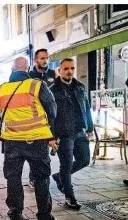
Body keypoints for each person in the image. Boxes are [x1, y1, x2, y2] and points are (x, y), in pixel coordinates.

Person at [0, 57, 59, 220]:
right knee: (41, 178)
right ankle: (45, 218)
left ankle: (15, 212)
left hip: (12, 141)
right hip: (36, 140)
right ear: (27, 68)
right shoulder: (36, 85)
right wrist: (51, 135)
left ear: (12, 69)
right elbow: (51, 109)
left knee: (13, 177)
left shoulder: (0, 90)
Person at [50, 59, 93, 210]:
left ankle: (59, 177)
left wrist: (90, 128)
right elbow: (50, 115)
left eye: (72, 68)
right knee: (66, 165)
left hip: (80, 130)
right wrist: (52, 137)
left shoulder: (80, 86)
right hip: (64, 133)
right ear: (59, 70)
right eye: (66, 69)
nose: (69, 71)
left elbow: (87, 108)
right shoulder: (53, 90)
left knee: (85, 160)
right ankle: (70, 197)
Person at [28, 48, 58, 188]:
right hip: (36, 118)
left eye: (46, 58)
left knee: (45, 151)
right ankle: (34, 177)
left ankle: (44, 177)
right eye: (42, 58)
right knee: (36, 151)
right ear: (35, 60)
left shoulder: (53, 74)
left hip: (52, 116)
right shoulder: (30, 76)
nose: (45, 61)